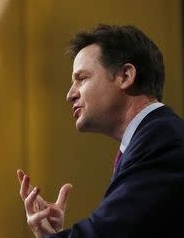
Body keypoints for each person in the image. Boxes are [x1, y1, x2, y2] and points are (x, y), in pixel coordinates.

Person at [17, 24, 184, 237]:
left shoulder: (161, 139)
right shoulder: (151, 138)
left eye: (82, 78)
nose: (70, 94)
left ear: (125, 76)